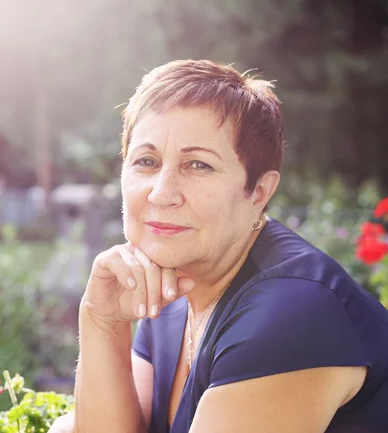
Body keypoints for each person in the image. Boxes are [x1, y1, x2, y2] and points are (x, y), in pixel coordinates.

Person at [48, 60, 388, 433]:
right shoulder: (172, 287)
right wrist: (102, 320)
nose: (161, 193)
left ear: (258, 191)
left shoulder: (294, 312)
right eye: (146, 161)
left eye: (198, 165)